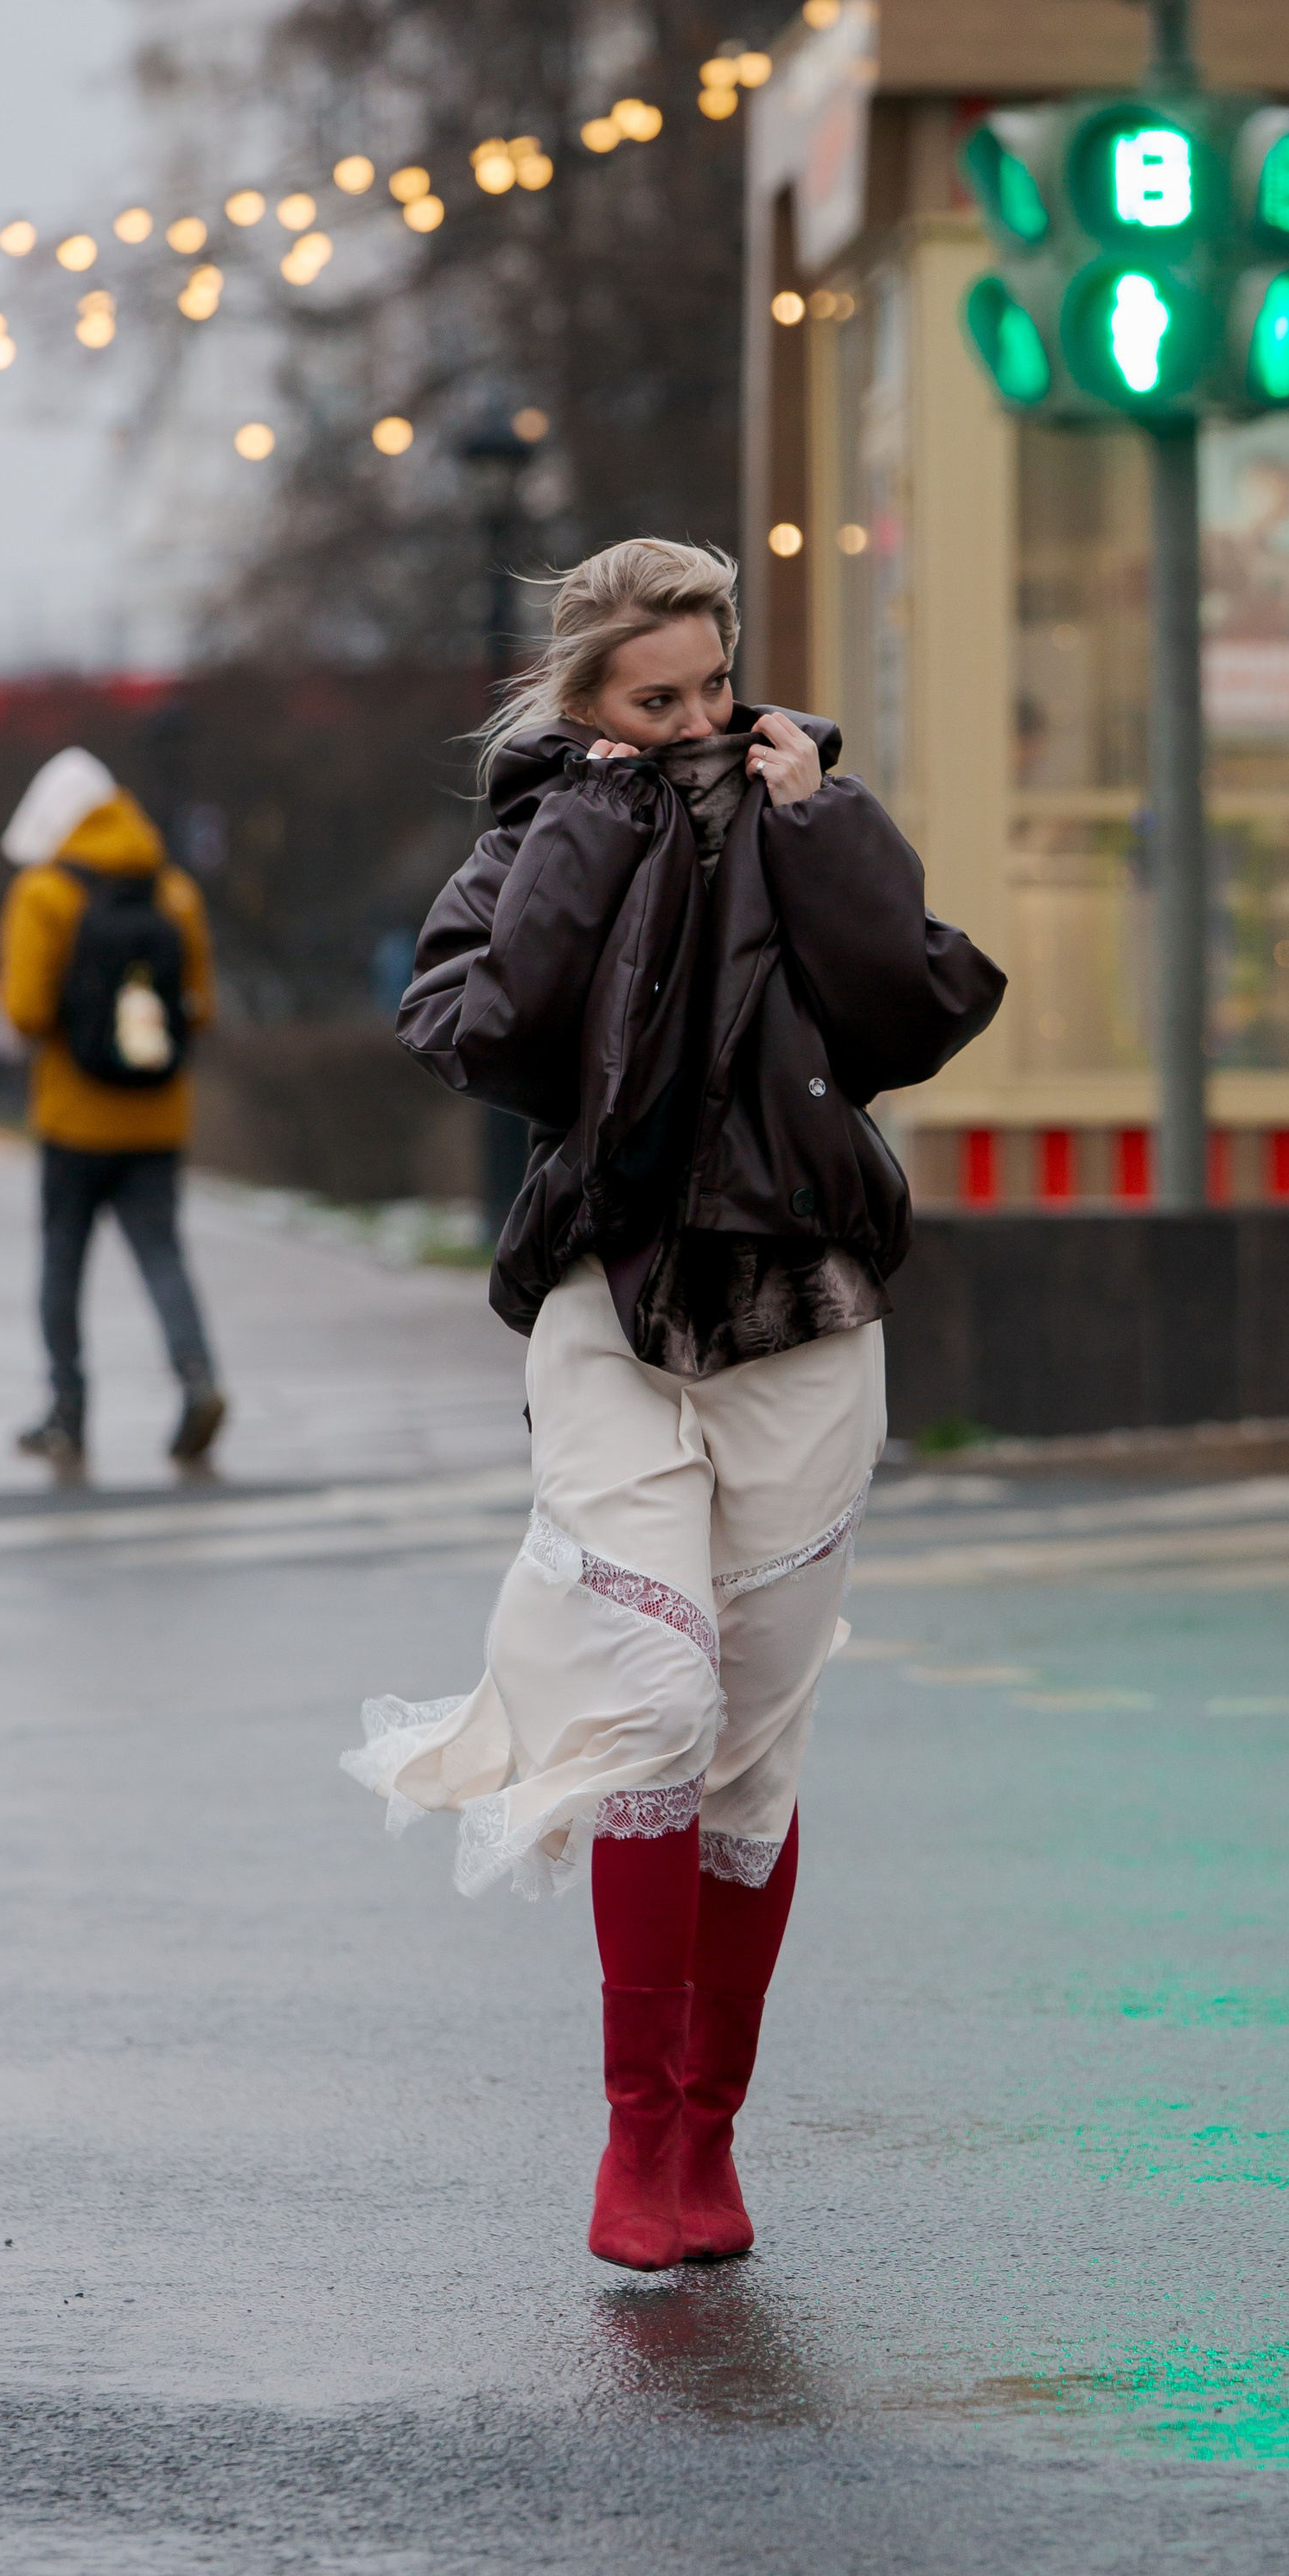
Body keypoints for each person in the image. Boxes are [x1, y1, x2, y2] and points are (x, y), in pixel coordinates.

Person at [342, 539, 1004, 2271]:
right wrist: (586, 818)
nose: (703, 723)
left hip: (804, 1313)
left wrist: (823, 826)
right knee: (649, 1693)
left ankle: (710, 2137)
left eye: (716, 690)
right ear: (584, 708)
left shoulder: (800, 824)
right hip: (610, 1309)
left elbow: (913, 1012)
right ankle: (634, 2139)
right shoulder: (532, 841)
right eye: (658, 702)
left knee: (746, 1758)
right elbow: (491, 1031)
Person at [0, 746, 227, 1476]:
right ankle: (198, 1379)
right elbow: (203, 1008)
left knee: (62, 1266)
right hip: (157, 1117)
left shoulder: (44, 892)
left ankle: (67, 1413)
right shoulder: (175, 893)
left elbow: (26, 1011)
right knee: (162, 1254)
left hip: (73, 1119)